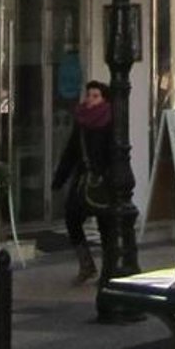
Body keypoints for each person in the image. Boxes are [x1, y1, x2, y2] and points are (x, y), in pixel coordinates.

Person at [51, 79, 114, 285]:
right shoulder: (82, 122)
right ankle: (86, 264)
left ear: (104, 99)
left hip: (104, 181)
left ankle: (108, 270)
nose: (90, 100)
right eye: (88, 95)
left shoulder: (111, 122)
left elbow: (116, 154)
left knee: (105, 226)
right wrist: (59, 179)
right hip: (83, 179)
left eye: (95, 96)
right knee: (72, 217)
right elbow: (71, 152)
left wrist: (111, 177)